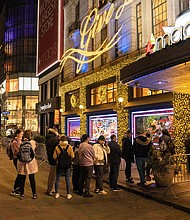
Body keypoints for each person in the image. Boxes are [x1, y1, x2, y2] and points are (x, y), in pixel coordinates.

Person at [17, 130, 38, 200]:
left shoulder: (21, 142)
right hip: (31, 162)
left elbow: (18, 152)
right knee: (32, 178)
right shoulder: (33, 142)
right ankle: (34, 193)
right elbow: (34, 152)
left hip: (22, 163)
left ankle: (22, 194)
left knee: (22, 179)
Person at [53, 135, 74, 199]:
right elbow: (72, 156)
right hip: (67, 165)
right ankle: (68, 194)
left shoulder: (57, 147)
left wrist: (58, 160)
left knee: (58, 178)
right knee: (67, 179)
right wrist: (68, 160)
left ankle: (57, 193)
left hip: (60, 164)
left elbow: (54, 156)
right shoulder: (69, 147)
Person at [45, 128, 60, 195]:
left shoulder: (48, 139)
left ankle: (51, 188)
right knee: (53, 175)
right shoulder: (53, 140)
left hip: (51, 159)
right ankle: (50, 189)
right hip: (54, 159)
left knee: (52, 174)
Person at [10, 129, 23, 196]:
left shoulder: (19, 141)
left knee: (20, 174)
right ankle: (15, 188)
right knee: (20, 174)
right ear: (17, 134)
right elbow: (18, 151)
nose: (22, 135)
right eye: (21, 134)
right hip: (17, 159)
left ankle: (18, 188)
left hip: (19, 159)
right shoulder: (15, 142)